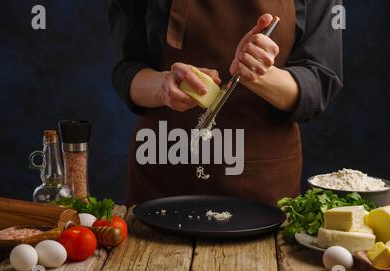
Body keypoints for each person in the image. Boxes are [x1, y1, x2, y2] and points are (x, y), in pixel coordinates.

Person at [108, 0, 343, 206]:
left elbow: (321, 80)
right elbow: (126, 69)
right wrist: (162, 87)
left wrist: (258, 73)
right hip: (163, 171)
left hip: (262, 185)